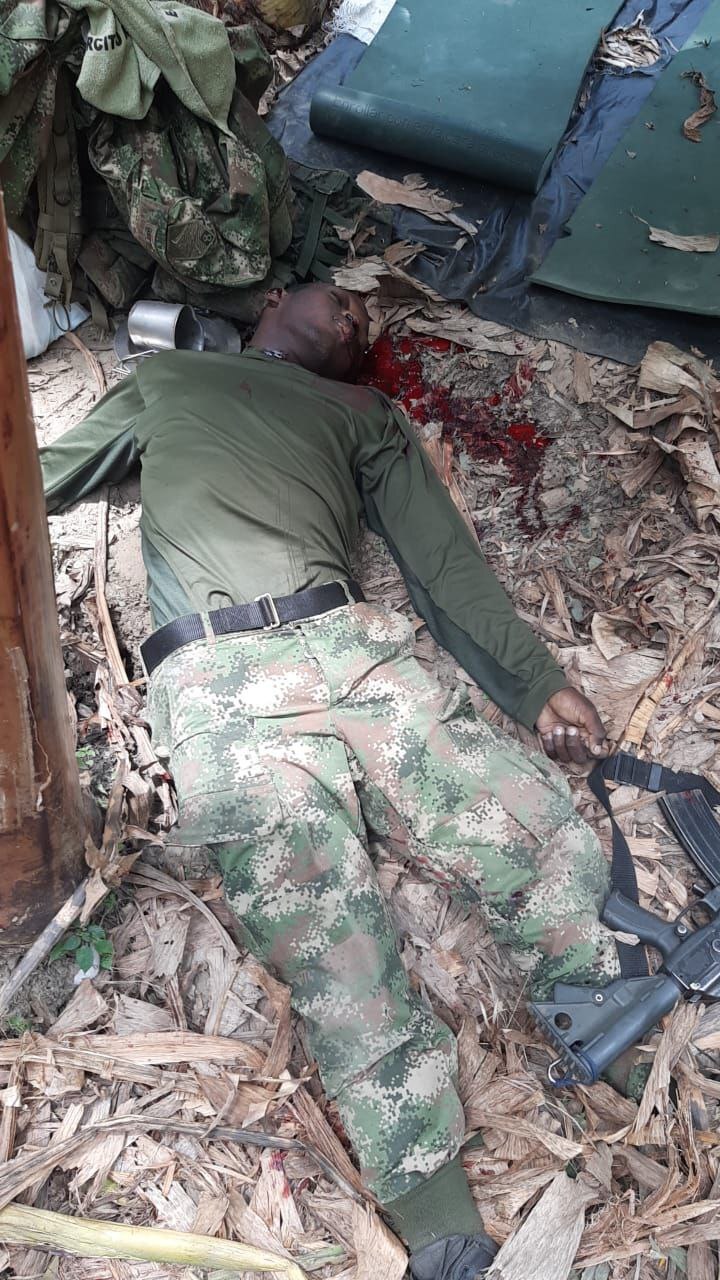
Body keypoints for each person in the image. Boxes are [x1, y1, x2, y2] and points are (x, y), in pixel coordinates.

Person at [41, 284, 620, 1279]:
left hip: (352, 645)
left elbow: (442, 565)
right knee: (325, 935)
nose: (358, 319)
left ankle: (615, 1018)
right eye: (345, 299)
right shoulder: (171, 376)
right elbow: (36, 474)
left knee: (532, 825)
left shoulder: (360, 409)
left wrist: (537, 685)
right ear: (276, 298)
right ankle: (435, 1207)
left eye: (368, 325)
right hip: (217, 679)